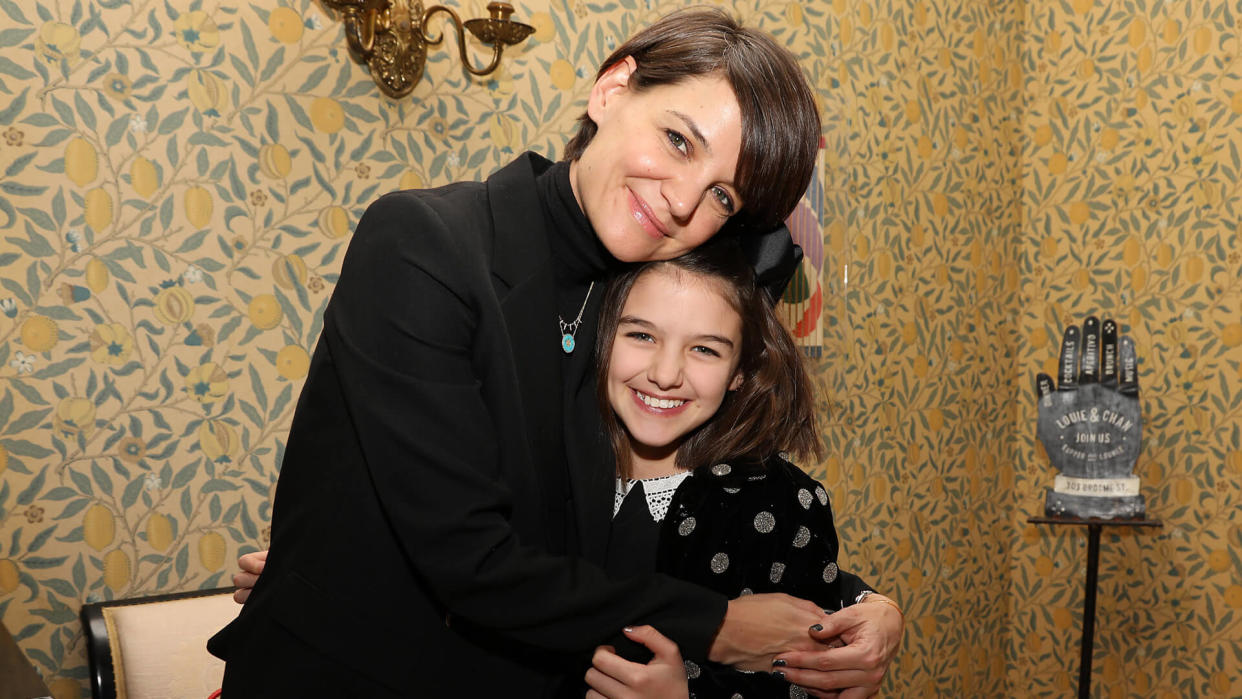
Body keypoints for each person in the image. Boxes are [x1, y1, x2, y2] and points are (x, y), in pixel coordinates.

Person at [209, 9, 901, 697]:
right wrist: (718, 625)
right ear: (611, 90)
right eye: (679, 141)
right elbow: (470, 558)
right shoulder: (425, 246)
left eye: (722, 194)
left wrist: (862, 607)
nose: (684, 200)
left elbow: (675, 507)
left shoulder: (635, 302)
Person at [580, 242, 901, 698]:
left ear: (740, 371)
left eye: (705, 350)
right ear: (602, 334)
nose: (666, 373)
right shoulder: (555, 467)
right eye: (642, 335)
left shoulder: (775, 502)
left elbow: (805, 679)